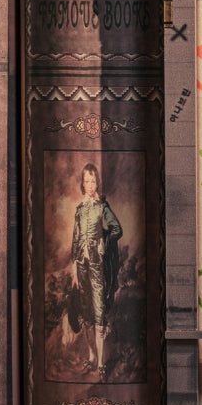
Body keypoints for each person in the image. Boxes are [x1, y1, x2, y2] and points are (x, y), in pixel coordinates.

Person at [71, 161, 122, 379]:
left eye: (93, 181)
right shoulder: (80, 209)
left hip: (97, 265)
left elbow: (117, 229)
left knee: (99, 310)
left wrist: (105, 241)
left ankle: (101, 363)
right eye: (86, 181)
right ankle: (92, 356)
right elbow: (75, 239)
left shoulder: (102, 207)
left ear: (96, 182)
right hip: (81, 266)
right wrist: (74, 267)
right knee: (85, 312)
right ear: (82, 184)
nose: (90, 185)